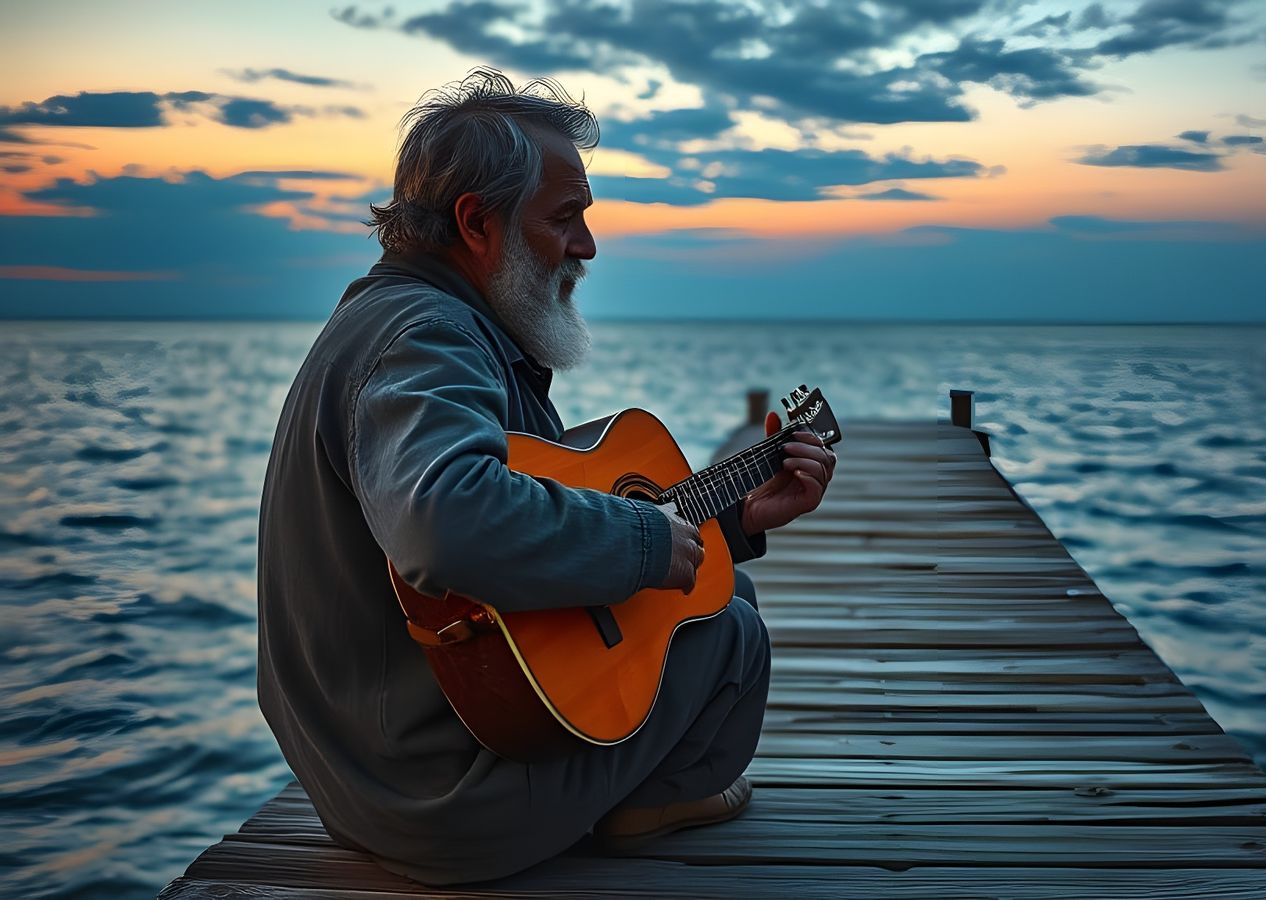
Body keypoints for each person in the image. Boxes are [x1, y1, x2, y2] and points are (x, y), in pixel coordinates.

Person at [255, 67, 835, 886]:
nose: (588, 246)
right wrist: (641, 537)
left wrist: (735, 522)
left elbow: (503, 575)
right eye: (566, 218)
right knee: (731, 627)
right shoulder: (426, 338)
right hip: (445, 799)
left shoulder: (401, 320)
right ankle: (654, 800)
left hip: (384, 774)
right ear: (476, 222)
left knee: (712, 581)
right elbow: (446, 520)